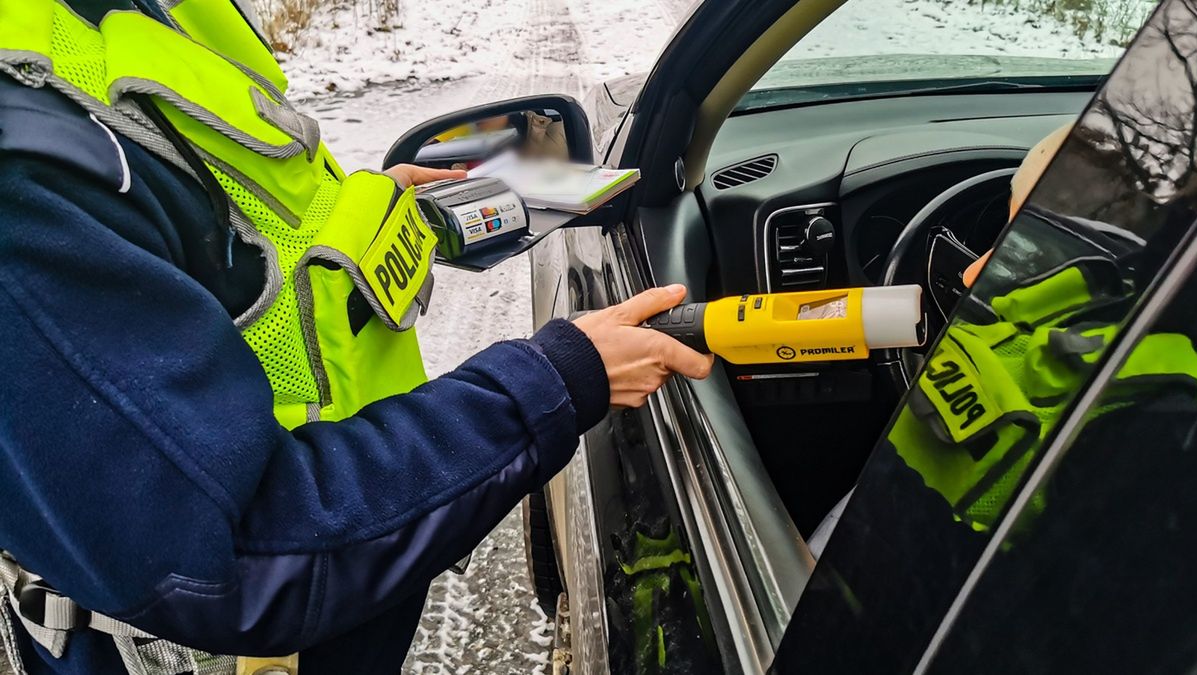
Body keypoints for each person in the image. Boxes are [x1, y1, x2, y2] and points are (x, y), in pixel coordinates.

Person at [0, 1, 712, 674]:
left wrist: (370, 218)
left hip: (338, 619)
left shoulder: (110, 19)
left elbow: (216, 235)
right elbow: (231, 556)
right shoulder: (20, 163)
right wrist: (550, 381)